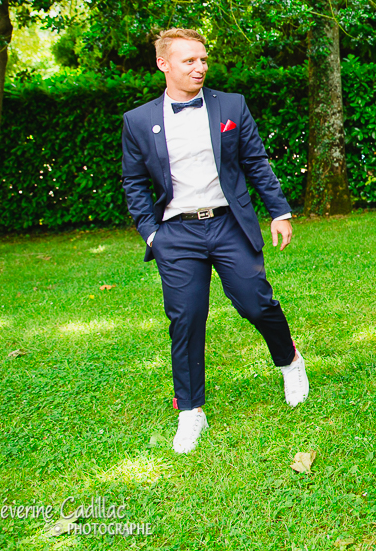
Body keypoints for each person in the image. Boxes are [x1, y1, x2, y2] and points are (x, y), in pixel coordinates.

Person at [121, 28, 309, 455]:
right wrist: (152, 234)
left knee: (255, 303)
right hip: (177, 233)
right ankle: (191, 411)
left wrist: (279, 211)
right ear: (163, 64)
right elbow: (133, 182)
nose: (200, 67)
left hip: (228, 223)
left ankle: (289, 360)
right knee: (186, 319)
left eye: (203, 59)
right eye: (189, 60)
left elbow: (255, 161)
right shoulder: (138, 121)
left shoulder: (231, 106)